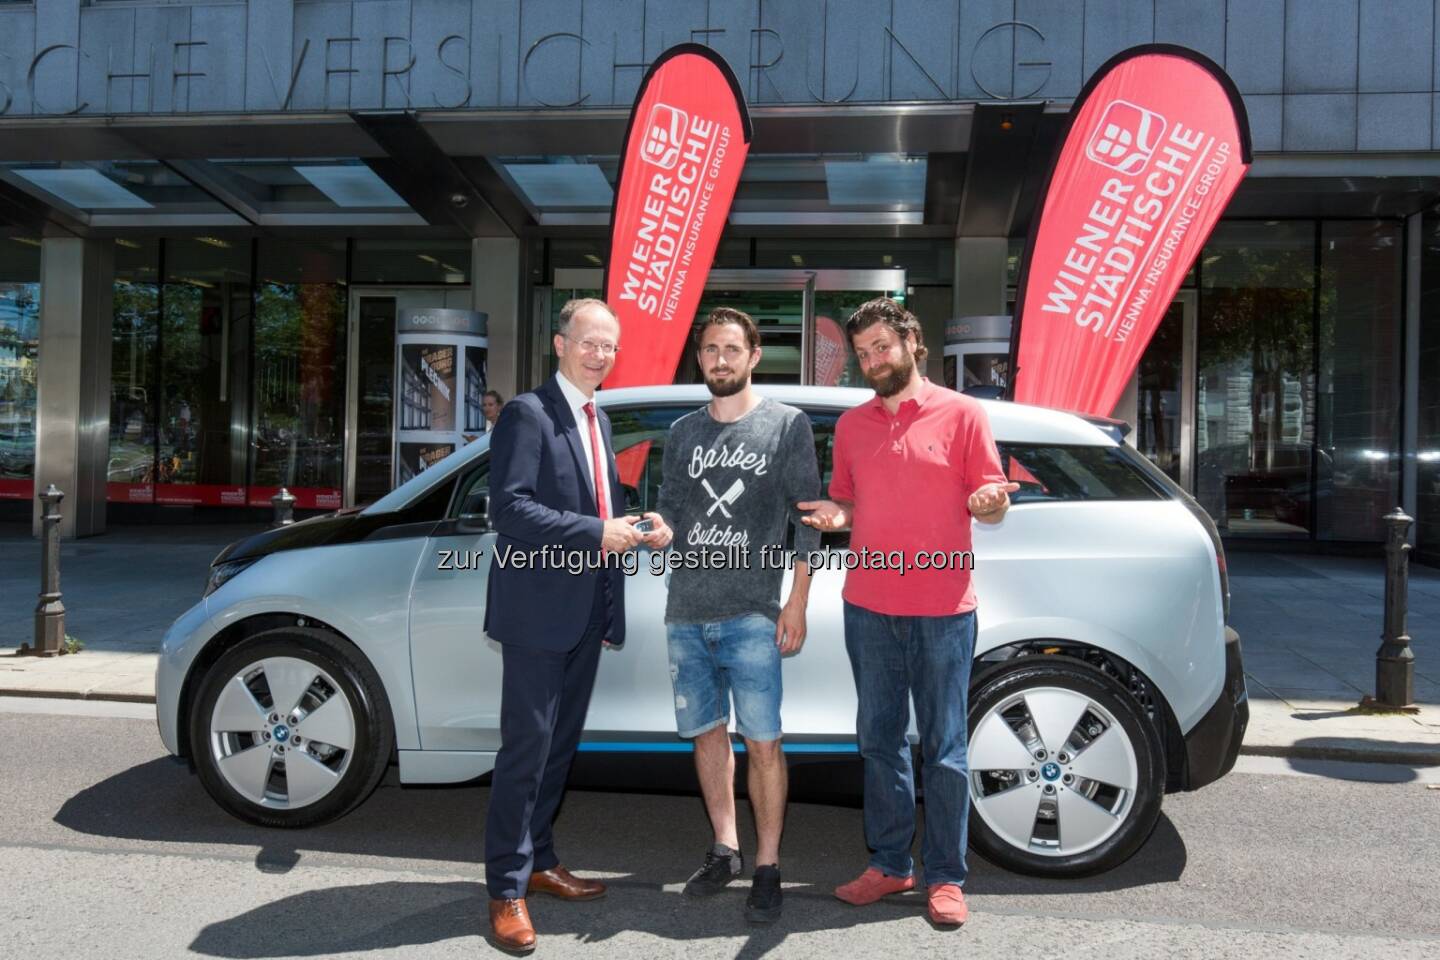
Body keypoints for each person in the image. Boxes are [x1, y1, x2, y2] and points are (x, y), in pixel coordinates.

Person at [799, 297, 1017, 929]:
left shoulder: (964, 413)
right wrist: (833, 517)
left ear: (912, 343)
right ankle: (892, 862)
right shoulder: (852, 426)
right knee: (879, 741)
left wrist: (988, 502)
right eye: (863, 352)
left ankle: (946, 875)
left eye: (881, 348)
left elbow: (993, 500)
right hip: (868, 606)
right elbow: (847, 504)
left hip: (944, 609)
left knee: (945, 748)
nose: (872, 361)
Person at [482, 297, 671, 954]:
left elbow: (596, 505)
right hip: (538, 612)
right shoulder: (527, 414)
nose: (600, 355)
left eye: (609, 347)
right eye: (588, 342)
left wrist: (639, 525)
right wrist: (600, 530)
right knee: (525, 753)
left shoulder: (598, 418)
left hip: (586, 610)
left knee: (557, 751)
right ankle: (506, 889)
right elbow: (509, 510)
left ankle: (540, 861)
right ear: (559, 344)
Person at [648, 307, 821, 924]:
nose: (720, 360)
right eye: (710, 350)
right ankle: (726, 848)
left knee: (764, 742)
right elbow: (669, 511)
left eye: (731, 349)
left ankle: (769, 864)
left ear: (754, 356)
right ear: (700, 358)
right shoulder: (683, 432)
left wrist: (796, 600)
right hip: (685, 611)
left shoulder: (786, 426)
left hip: (752, 612)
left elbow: (806, 520)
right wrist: (651, 529)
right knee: (706, 735)